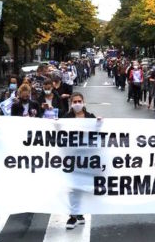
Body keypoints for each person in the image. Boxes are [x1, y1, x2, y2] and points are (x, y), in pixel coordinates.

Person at [61, 92, 101, 229]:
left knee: (84, 186)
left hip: (87, 158)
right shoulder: (66, 118)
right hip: (72, 158)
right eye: (75, 101)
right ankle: (73, 216)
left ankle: (80, 214)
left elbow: (99, 134)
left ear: (83, 102)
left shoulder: (90, 117)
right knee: (73, 187)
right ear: (71, 103)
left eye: (79, 101)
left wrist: (100, 124)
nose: (77, 104)